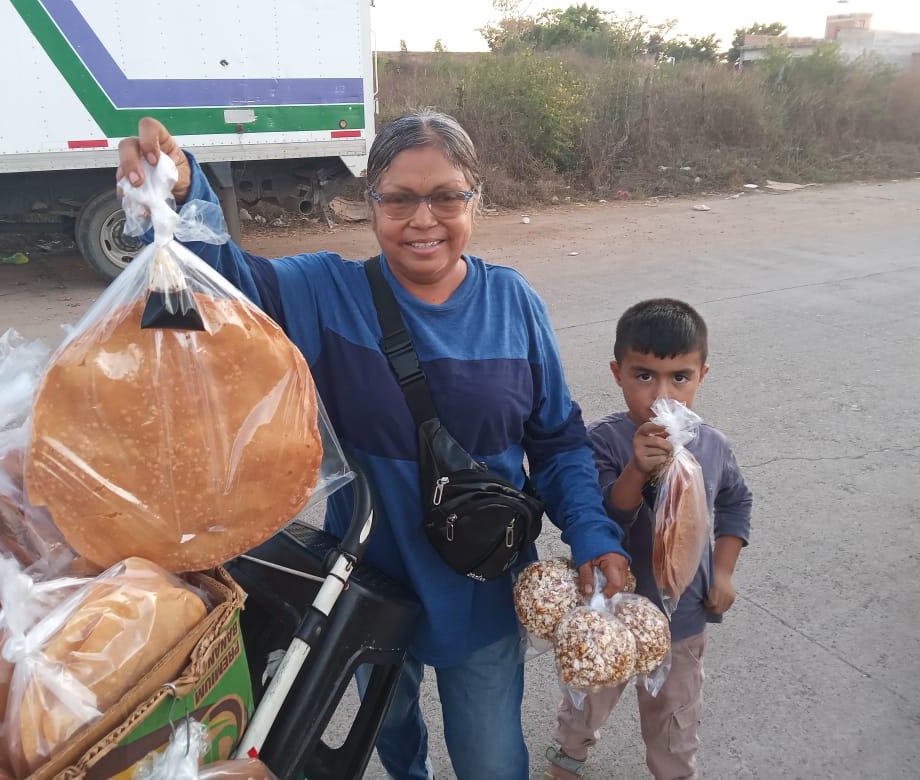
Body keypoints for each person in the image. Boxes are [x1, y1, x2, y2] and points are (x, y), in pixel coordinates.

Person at [117, 111, 629, 780]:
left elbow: (558, 440)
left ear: (475, 198)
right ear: (371, 205)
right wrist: (183, 192)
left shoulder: (514, 303)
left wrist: (593, 534)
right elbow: (220, 285)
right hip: (369, 592)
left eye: (446, 196)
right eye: (399, 198)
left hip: (481, 588)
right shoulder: (327, 294)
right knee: (392, 740)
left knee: (493, 760)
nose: (424, 220)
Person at [545, 299, 753, 780]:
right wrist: (637, 469)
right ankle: (568, 759)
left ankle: (673, 771)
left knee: (674, 715)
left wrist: (723, 572)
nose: (663, 394)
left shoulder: (713, 446)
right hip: (611, 610)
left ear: (702, 374)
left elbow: (736, 503)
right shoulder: (604, 442)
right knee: (590, 694)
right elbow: (602, 521)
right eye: (644, 377)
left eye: (680, 377)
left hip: (682, 619)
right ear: (617, 374)